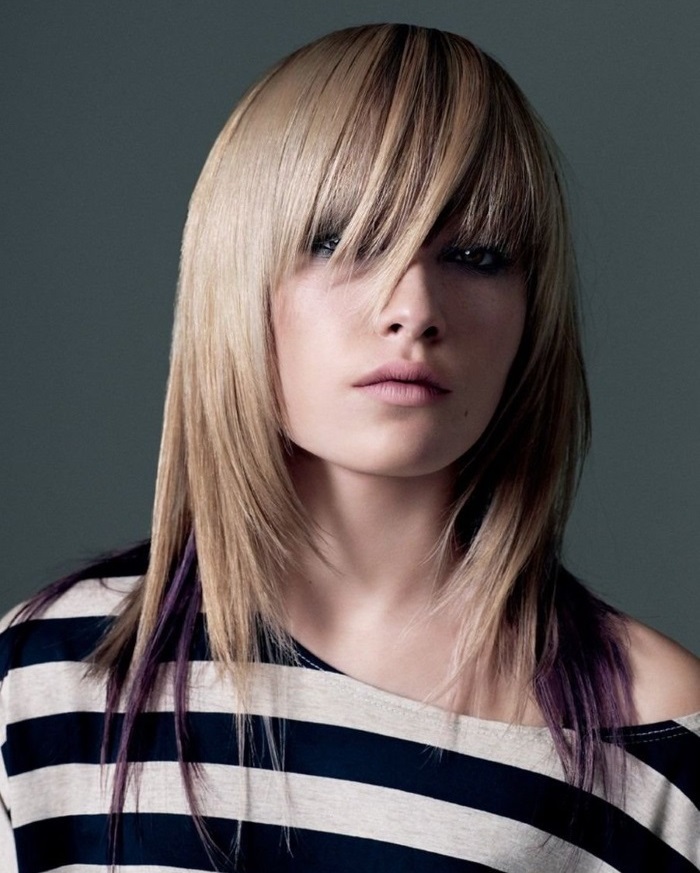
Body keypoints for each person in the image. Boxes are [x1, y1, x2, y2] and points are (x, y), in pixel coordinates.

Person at [1, 22, 698, 873]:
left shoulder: (658, 728)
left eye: (476, 254)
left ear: (533, 313)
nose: (413, 306)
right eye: (341, 242)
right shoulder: (46, 675)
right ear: (238, 279)